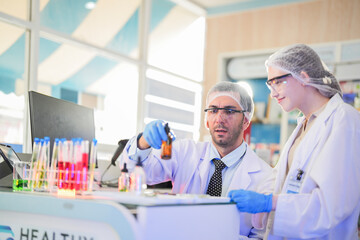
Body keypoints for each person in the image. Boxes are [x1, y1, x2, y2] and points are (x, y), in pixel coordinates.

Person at [228, 44, 360, 239]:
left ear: (303, 76)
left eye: (277, 82)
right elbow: (282, 179)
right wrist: (258, 194)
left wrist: (269, 203)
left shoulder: (345, 120)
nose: (272, 94)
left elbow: (332, 205)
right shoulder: (303, 125)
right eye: (270, 85)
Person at [119, 81, 274, 239]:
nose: (219, 119)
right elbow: (134, 173)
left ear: (246, 120)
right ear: (207, 120)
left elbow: (262, 236)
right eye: (213, 110)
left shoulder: (266, 176)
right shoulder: (184, 151)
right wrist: (143, 142)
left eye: (229, 111)